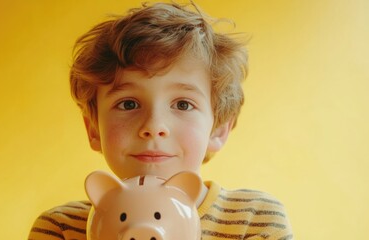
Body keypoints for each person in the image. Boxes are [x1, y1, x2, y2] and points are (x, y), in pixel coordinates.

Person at [28, 1, 293, 239]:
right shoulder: (60, 227)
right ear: (94, 129)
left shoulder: (255, 220)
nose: (153, 127)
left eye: (182, 104)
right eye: (128, 104)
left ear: (218, 128)